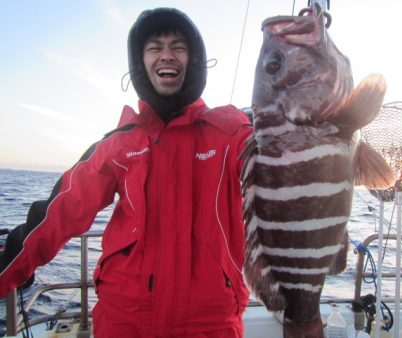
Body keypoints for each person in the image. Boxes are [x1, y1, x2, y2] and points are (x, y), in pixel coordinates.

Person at [0, 7, 252, 338]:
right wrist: (8, 269)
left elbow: (292, 154)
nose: (167, 55)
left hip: (210, 323)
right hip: (124, 320)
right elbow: (59, 211)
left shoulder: (233, 133)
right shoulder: (119, 144)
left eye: (178, 46)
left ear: (194, 59)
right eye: (154, 47)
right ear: (141, 62)